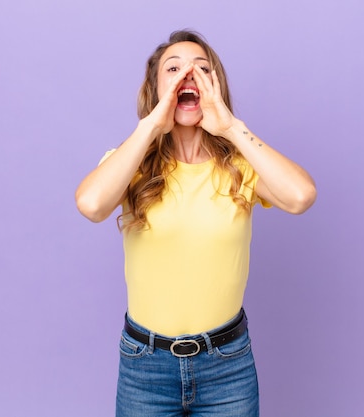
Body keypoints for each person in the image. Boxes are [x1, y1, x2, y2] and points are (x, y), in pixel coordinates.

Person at [75, 29, 316, 417]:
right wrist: (151, 125)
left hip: (227, 367)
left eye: (202, 69)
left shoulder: (241, 167)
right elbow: (91, 204)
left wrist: (231, 127)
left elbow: (301, 195)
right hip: (145, 366)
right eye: (174, 69)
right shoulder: (131, 165)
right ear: (156, 89)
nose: (189, 76)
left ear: (214, 86)